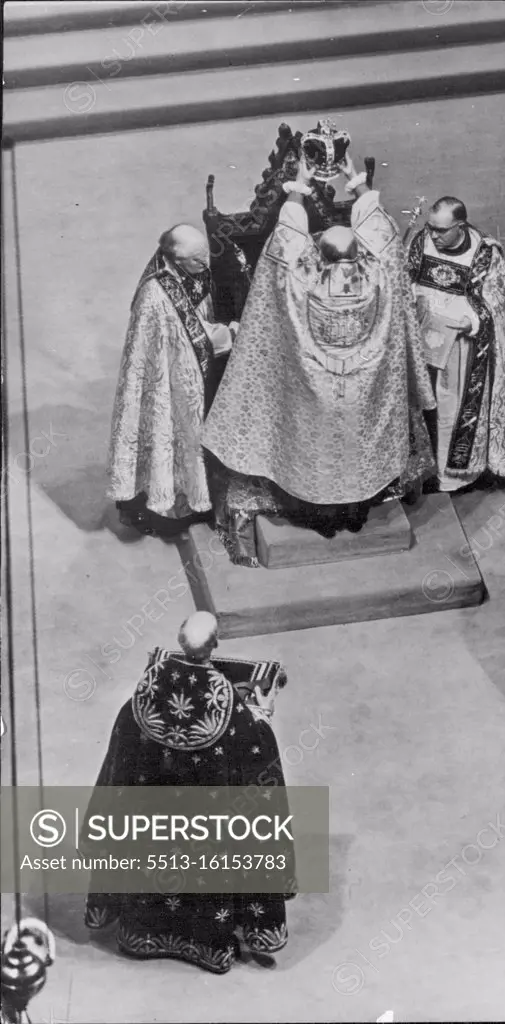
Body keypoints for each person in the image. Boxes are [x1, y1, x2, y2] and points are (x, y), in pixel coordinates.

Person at [202, 151, 436, 564]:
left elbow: (287, 240)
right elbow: (383, 236)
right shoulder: (378, 274)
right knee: (353, 455)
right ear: (356, 255)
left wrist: (298, 188)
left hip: (314, 392)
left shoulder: (300, 278)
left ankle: (316, 514)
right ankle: (353, 512)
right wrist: (357, 184)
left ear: (319, 255)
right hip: (362, 394)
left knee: (316, 456)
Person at [83, 612, 294, 974]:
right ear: (214, 645)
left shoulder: (146, 690)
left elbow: (124, 750)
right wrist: (263, 713)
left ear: (179, 642)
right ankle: (207, 944)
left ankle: (141, 933)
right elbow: (255, 753)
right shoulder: (229, 704)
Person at [107, 225, 238, 536]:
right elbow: (190, 338)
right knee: (167, 437)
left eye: (206, 254)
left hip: (181, 374)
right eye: (197, 259)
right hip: (166, 384)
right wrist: (230, 332)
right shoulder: (157, 294)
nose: (206, 264)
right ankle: (167, 511)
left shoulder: (182, 269)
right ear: (176, 259)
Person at [406, 196, 505, 492]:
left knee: (450, 408)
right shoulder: (422, 241)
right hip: (422, 338)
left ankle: (453, 475)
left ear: (460, 225)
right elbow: (407, 277)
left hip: (462, 348)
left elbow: (499, 304)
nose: (434, 236)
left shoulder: (484, 254)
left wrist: (473, 320)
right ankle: (423, 468)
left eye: (441, 230)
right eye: (431, 228)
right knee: (421, 404)